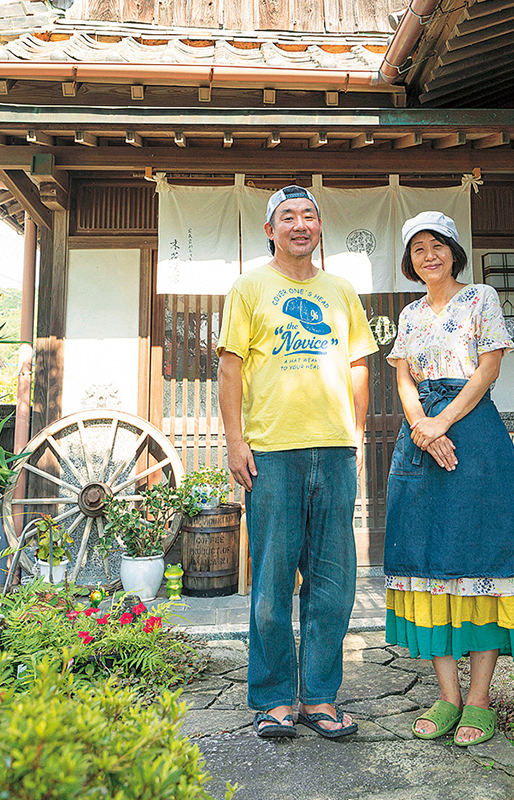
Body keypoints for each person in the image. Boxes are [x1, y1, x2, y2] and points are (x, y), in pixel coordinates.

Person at [217, 185, 378, 739]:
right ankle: (273, 698)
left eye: (309, 215)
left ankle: (320, 698)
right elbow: (231, 370)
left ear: (319, 229)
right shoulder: (249, 288)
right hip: (272, 454)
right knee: (270, 581)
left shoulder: (341, 291)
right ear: (270, 230)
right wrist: (236, 442)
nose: (300, 224)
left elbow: (359, 365)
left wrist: (355, 436)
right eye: (288, 217)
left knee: (333, 582)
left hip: (333, 451)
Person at [383, 211, 514, 747]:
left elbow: (488, 368)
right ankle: (447, 696)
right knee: (428, 559)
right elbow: (404, 376)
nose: (428, 256)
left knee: (480, 557)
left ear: (454, 251)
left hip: (473, 432)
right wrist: (420, 429)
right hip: (422, 436)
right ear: (410, 261)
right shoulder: (408, 316)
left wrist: (441, 422)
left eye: (436, 246)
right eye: (417, 249)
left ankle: (478, 700)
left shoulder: (481, 298)